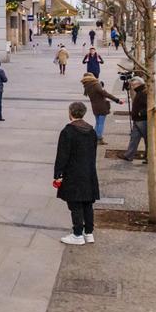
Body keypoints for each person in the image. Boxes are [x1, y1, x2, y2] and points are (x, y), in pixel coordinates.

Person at [53, 102, 101, 246]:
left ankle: (77, 234)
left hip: (74, 172)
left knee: (75, 204)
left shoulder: (68, 132)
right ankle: (89, 233)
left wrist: (58, 174)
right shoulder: (91, 131)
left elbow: (62, 155)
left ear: (71, 113)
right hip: (89, 171)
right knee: (87, 203)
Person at [81, 73, 123, 145]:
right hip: (102, 106)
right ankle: (99, 138)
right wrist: (117, 100)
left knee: (97, 123)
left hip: (94, 106)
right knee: (101, 123)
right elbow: (105, 94)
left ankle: (94, 137)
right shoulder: (95, 84)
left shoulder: (86, 85)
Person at [122, 77, 149, 162]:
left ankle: (149, 157)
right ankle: (129, 155)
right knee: (134, 138)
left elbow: (149, 106)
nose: (132, 86)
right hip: (137, 120)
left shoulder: (144, 93)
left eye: (134, 85)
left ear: (139, 84)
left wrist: (141, 113)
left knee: (147, 140)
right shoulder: (139, 91)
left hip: (142, 120)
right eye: (132, 85)